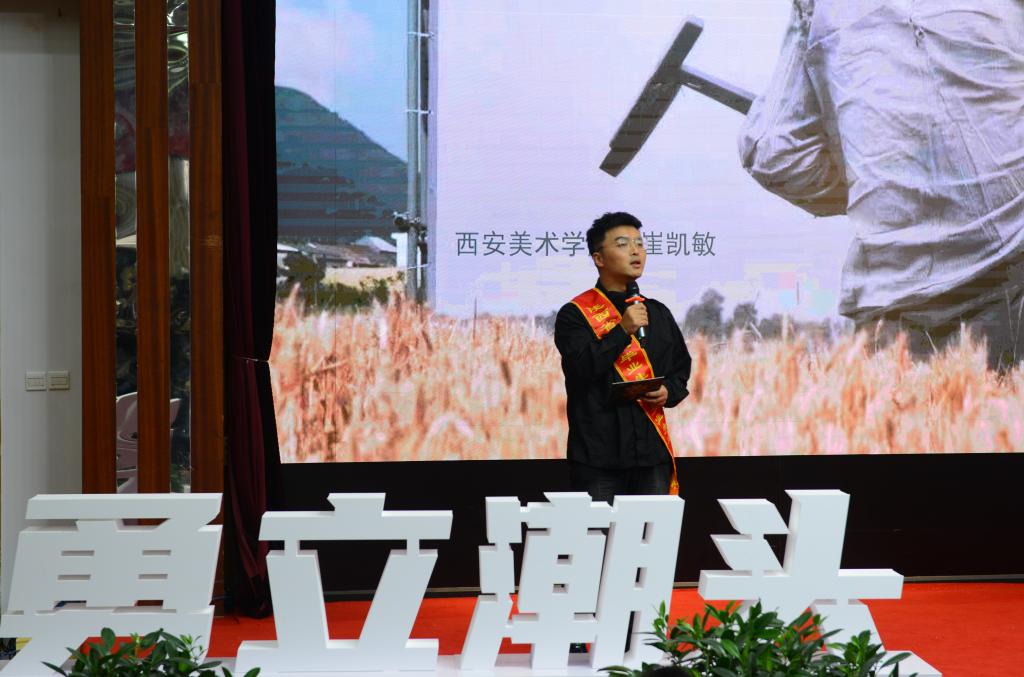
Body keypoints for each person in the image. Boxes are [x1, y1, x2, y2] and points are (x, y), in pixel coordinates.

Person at [739, 0, 1024, 369]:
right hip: (1010, 268)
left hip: (894, 305)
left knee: (901, 404)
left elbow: (774, 153)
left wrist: (886, 191)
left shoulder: (821, 8)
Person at [554, 212, 691, 504]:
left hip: (651, 455)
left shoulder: (657, 312)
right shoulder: (574, 314)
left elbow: (680, 370)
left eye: (639, 243)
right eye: (622, 244)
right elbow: (582, 368)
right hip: (598, 457)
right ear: (599, 258)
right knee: (599, 533)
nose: (635, 251)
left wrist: (668, 391)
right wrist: (622, 330)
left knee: (653, 532)